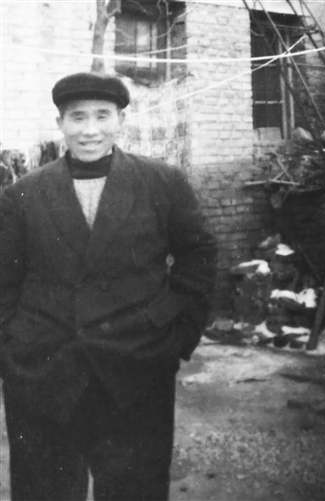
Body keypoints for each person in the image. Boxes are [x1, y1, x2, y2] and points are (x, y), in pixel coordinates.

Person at [0, 72, 217, 501]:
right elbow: (4, 281)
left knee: (133, 489)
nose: (90, 130)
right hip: (45, 375)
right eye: (77, 117)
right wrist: (13, 350)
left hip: (136, 369)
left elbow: (199, 254)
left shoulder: (162, 182)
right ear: (60, 123)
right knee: (46, 491)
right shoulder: (23, 194)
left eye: (102, 115)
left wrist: (174, 333)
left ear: (121, 121)